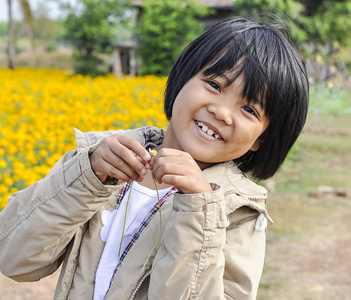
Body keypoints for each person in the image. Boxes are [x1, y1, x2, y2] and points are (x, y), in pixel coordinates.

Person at [0, 16, 309, 299]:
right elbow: (13, 258)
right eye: (214, 85)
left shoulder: (236, 214)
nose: (221, 112)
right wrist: (88, 176)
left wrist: (198, 211)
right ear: (181, 80)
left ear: (261, 140)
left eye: (249, 109)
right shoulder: (100, 161)